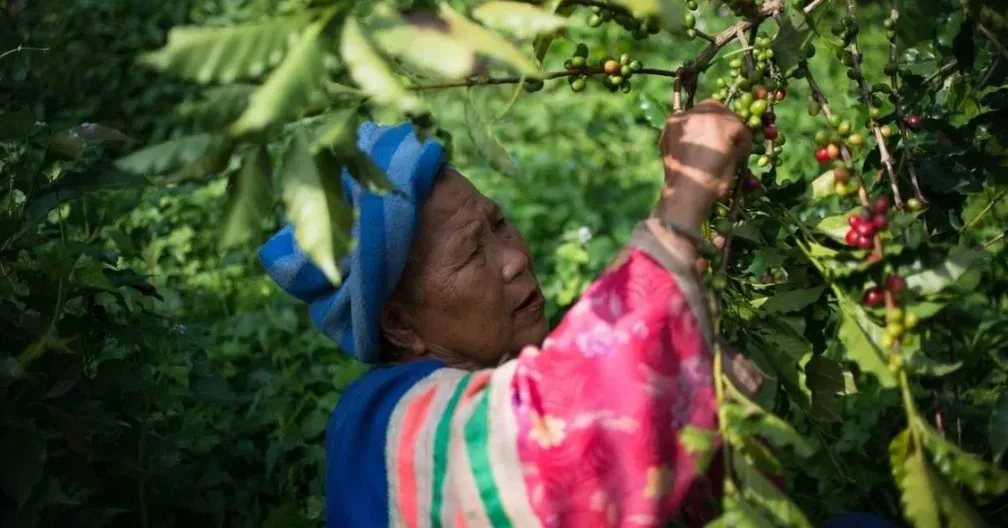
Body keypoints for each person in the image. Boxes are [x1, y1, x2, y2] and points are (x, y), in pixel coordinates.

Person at [259, 101, 890, 527]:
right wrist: (682, 208)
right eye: (472, 252)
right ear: (399, 324)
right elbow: (552, 448)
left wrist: (700, 402)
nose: (512, 260)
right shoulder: (381, 423)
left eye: (498, 225)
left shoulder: (492, 373)